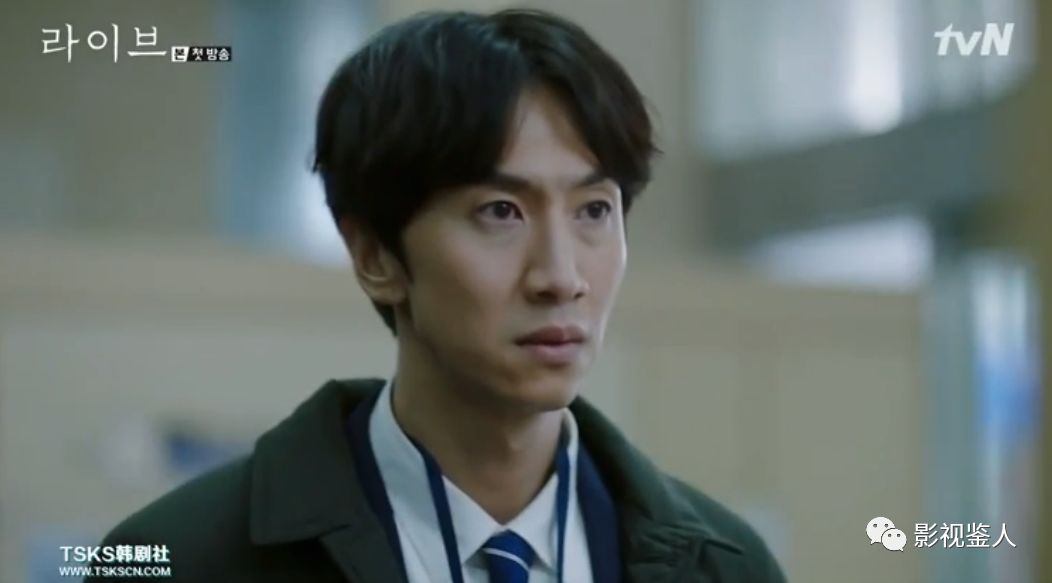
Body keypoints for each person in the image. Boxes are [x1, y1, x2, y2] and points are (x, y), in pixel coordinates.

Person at [92, 9, 786, 583]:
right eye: (500, 211)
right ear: (375, 255)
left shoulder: (726, 566)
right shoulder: (182, 560)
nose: (561, 275)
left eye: (594, 211)